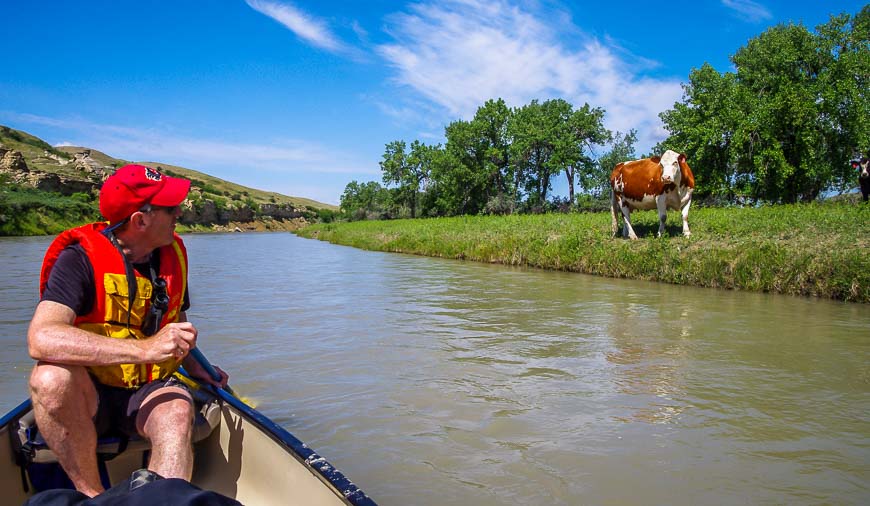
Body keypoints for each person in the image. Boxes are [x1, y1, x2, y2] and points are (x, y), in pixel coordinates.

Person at [27, 164, 228, 497]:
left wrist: (197, 368)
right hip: (90, 392)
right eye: (170, 208)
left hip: (147, 386)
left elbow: (172, 325)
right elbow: (41, 337)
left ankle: (159, 501)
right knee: (49, 378)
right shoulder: (78, 260)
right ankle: (94, 497)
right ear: (140, 220)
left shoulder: (172, 256)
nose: (179, 212)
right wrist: (146, 350)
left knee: (177, 411)